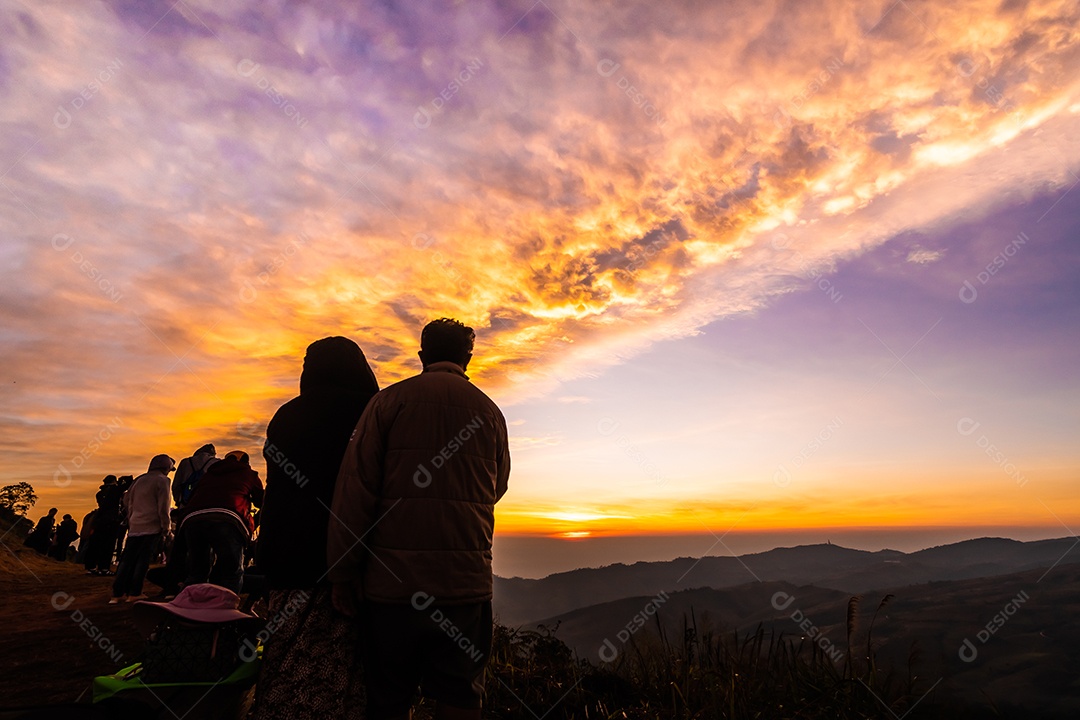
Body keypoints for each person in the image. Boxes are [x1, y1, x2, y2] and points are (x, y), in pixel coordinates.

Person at [329, 318, 510, 720]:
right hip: (465, 586)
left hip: (392, 588)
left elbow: (355, 492)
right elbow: (496, 488)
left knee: (389, 697)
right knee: (461, 695)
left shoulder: (387, 403)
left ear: (422, 354)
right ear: (469, 357)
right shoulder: (490, 413)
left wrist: (343, 572)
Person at [250, 336, 379, 720]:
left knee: (286, 658)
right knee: (342, 665)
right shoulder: (369, 413)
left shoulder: (286, 416)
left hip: (286, 557)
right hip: (346, 557)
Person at [179, 450, 263, 593]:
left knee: (197, 572)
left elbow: (190, 497)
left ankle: (186, 606)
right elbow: (261, 501)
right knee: (231, 573)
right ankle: (225, 609)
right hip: (227, 519)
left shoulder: (208, 475)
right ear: (246, 462)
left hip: (193, 519)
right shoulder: (249, 474)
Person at [111, 455, 173, 604]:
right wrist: (166, 527)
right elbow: (163, 507)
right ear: (165, 467)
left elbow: (126, 500)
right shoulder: (163, 480)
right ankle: (135, 592)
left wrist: (132, 517)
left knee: (127, 560)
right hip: (151, 526)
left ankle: (118, 594)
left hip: (135, 525)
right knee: (142, 560)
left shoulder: (139, 480)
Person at [85, 475, 122, 574]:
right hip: (111, 521)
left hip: (99, 520)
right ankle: (104, 568)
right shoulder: (116, 491)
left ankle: (91, 567)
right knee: (108, 545)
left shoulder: (99, 494)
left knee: (96, 544)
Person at [173, 443, 218, 508]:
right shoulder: (217, 462)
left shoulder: (185, 462)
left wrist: (178, 501)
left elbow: (176, 485)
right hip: (209, 503)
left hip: (187, 504)